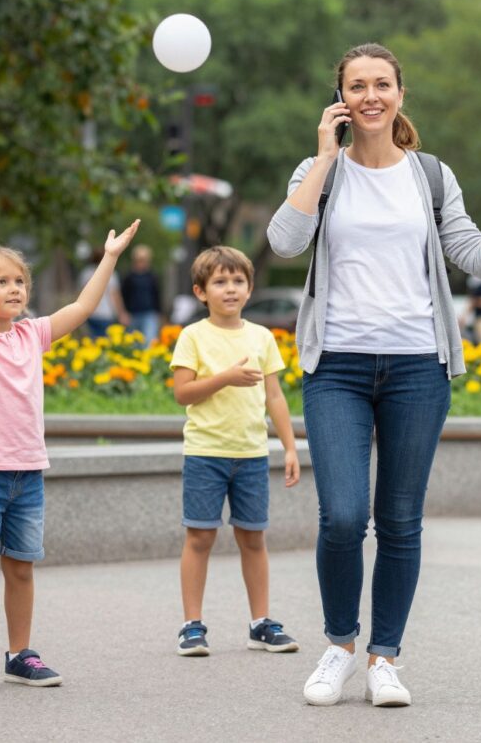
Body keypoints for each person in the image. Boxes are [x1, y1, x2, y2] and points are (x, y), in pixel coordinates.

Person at [266, 42, 481, 708]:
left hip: (417, 368)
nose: (371, 96)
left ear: (401, 93)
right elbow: (284, 242)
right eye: (357, 85)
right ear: (340, 97)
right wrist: (325, 156)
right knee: (342, 516)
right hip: (336, 366)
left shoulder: (429, 175)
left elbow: (477, 260)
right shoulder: (320, 171)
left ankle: (384, 658)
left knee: (398, 519)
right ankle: (339, 645)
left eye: (382, 84)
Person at [0, 219, 140, 695]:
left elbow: (83, 306)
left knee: (20, 567)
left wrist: (110, 256)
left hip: (28, 474)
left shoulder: (32, 336)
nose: (15, 288)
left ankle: (19, 655)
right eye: (2, 281)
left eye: (20, 280)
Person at [170, 245, 302, 659]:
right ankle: (192, 626)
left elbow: (275, 398)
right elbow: (182, 393)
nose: (231, 289)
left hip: (251, 454)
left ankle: (260, 623)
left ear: (249, 289)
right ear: (200, 291)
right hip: (206, 452)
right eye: (220, 282)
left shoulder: (262, 338)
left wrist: (290, 447)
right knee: (199, 537)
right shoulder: (193, 335)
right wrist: (225, 377)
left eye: (238, 281)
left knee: (253, 538)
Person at [80, 247, 128, 337]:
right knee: (105, 343)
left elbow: (80, 294)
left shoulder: (85, 273)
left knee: (92, 342)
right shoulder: (111, 273)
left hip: (90, 313)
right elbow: (115, 295)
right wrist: (121, 313)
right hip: (106, 313)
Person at [121, 244, 163, 342]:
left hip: (149, 313)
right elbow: (123, 295)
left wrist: (159, 314)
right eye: (140, 259)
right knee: (133, 343)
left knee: (149, 341)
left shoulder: (152, 276)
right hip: (132, 314)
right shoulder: (129, 277)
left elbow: (157, 295)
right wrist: (123, 313)